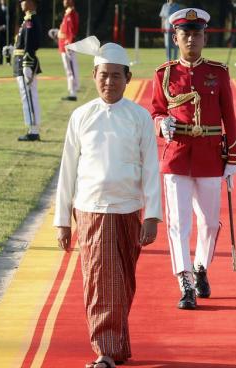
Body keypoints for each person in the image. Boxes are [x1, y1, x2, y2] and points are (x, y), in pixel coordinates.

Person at [54, 36, 162, 367]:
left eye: (117, 75)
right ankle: (106, 351)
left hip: (128, 211)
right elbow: (67, 170)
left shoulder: (139, 117)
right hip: (90, 212)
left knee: (122, 284)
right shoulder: (81, 116)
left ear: (128, 79)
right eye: (103, 74)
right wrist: (62, 220)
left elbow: (152, 169)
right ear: (94, 75)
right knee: (100, 283)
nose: (109, 81)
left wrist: (152, 216)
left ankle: (115, 347)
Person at [151, 8, 236, 310]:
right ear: (175, 37)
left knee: (210, 223)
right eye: (185, 34)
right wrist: (161, 123)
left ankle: (201, 265)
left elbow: (230, 116)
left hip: (210, 155)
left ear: (204, 37)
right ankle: (185, 280)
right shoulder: (164, 74)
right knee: (178, 223)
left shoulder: (219, 72)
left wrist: (233, 158)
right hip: (176, 155)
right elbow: (155, 110)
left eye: (197, 34)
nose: (191, 39)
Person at [13, 0, 42, 142]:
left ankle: (33, 130)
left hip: (25, 62)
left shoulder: (30, 20)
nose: (21, 2)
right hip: (21, 61)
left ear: (32, 3)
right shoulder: (27, 19)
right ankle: (32, 128)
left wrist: (26, 63)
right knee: (29, 96)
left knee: (29, 96)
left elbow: (31, 44)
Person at [58, 0, 80, 101]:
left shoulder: (71, 14)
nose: (64, 1)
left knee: (71, 69)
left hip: (67, 46)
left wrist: (69, 43)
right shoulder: (67, 13)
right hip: (63, 45)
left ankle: (73, 92)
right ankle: (71, 90)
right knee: (69, 70)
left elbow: (72, 31)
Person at [0, 0, 8, 65]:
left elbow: (11, 19)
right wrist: (0, 26)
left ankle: (8, 61)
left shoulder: (8, 10)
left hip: (7, 31)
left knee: (7, 46)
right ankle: (0, 61)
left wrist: (6, 26)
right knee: (0, 46)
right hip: (0, 31)